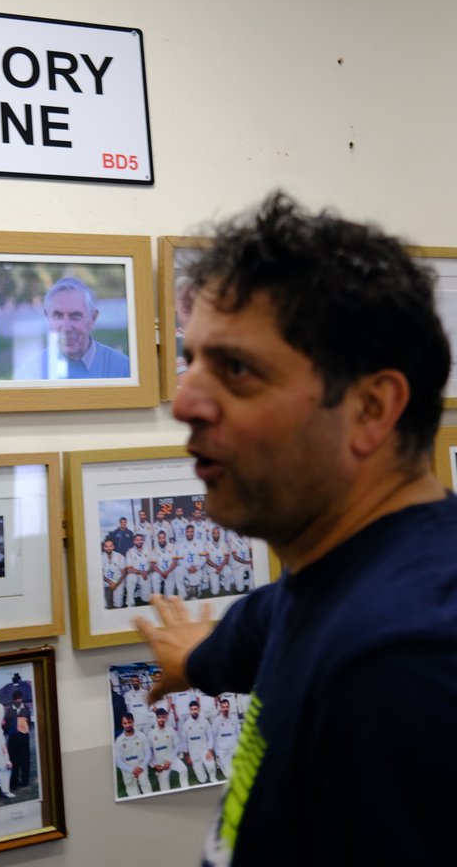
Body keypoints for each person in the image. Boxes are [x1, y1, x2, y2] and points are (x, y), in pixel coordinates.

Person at [134, 191, 457, 866]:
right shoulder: (331, 576)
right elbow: (260, 626)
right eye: (191, 360)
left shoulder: (398, 665)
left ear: (371, 408)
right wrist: (193, 661)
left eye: (237, 370)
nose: (186, 401)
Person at [15, 276, 130, 380]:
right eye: (58, 316)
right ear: (47, 317)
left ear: (93, 319)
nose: (66, 328)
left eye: (75, 316)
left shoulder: (124, 369)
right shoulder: (29, 373)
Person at [147, 707, 190, 792]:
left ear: (166, 718)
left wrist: (169, 760)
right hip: (160, 764)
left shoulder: (171, 730)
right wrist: (154, 765)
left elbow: (177, 746)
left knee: (183, 769)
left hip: (172, 760)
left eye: (163, 717)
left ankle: (185, 789)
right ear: (156, 718)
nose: (161, 719)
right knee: (165, 790)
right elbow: (149, 752)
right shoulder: (151, 734)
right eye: (159, 717)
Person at [113, 712, 152, 798]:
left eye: (129, 722)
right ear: (122, 724)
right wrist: (131, 770)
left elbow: (148, 754)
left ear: (133, 722)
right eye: (125, 723)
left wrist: (141, 767)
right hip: (128, 770)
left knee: (147, 789)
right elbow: (118, 760)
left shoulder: (142, 736)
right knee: (133, 794)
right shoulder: (119, 740)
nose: (128, 725)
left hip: (141, 767)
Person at [4, 688, 32, 789]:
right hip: (13, 739)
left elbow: (29, 723)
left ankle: (25, 781)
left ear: (22, 699)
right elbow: (5, 725)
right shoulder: (9, 711)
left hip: (24, 738)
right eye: (16, 699)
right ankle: (14, 782)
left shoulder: (26, 709)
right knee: (14, 761)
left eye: (19, 698)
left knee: (25, 760)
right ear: (13, 699)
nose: (18, 700)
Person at [101, 537, 127, 608]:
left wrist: (116, 584)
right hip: (106, 581)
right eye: (106, 546)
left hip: (118, 581)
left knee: (118, 604)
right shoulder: (101, 557)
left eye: (110, 546)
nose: (108, 548)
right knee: (104, 604)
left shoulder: (120, 557)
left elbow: (124, 573)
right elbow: (101, 574)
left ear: (113, 547)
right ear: (103, 547)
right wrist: (109, 582)